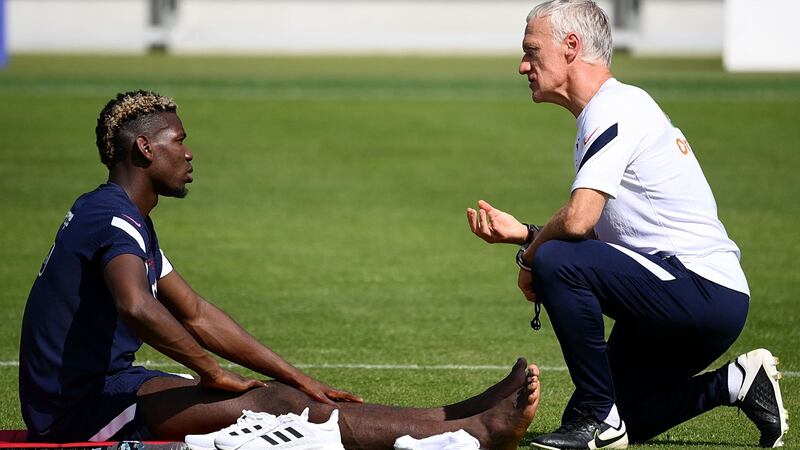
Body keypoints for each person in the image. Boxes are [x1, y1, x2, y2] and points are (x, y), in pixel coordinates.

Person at [19, 90, 540, 450]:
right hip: (76, 410)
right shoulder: (112, 218)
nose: (190, 152)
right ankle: (474, 433)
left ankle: (462, 417)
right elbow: (137, 306)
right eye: (178, 141)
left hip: (106, 385)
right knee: (275, 410)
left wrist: (295, 373)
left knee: (289, 395)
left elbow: (197, 312)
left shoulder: (119, 216)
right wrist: (211, 371)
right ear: (145, 148)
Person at [466, 1, 787, 449]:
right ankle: (734, 384)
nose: (523, 65)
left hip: (701, 290)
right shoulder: (608, 111)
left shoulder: (615, 107)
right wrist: (524, 234)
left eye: (532, 51)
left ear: (571, 47)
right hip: (685, 291)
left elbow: (578, 224)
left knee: (557, 262)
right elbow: (602, 239)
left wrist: (531, 256)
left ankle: (601, 416)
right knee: (618, 413)